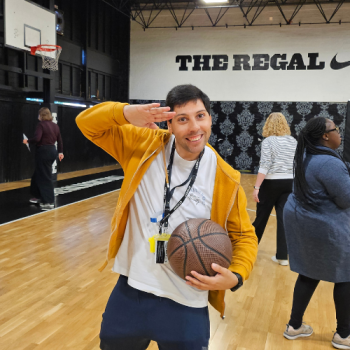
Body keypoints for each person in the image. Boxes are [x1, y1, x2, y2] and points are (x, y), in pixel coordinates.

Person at [76, 84, 258, 350]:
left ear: (209, 118)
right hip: (130, 293)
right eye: (182, 119)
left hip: (186, 303)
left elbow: (243, 236)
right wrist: (127, 113)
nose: (194, 127)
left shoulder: (225, 177)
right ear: (169, 124)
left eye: (200, 116)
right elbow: (86, 123)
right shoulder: (142, 146)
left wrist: (237, 276)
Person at [283, 117, 350, 349]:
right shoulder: (328, 163)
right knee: (345, 274)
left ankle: (294, 326)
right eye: (336, 130)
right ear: (325, 136)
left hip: (305, 223)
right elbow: (346, 199)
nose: (339, 133)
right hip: (324, 226)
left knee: (309, 273)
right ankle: (344, 335)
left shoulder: (305, 155)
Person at [252, 113, 297, 266]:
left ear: (268, 124)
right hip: (289, 182)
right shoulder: (293, 141)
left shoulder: (268, 142)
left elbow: (264, 165)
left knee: (261, 218)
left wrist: (257, 187)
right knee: (284, 219)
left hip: (271, 183)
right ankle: (282, 257)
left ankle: (248, 251)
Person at [23, 107, 64, 211]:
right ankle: (37, 196)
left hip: (43, 152)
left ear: (41, 115)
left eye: (39, 115)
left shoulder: (41, 125)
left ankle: (49, 202)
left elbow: (37, 139)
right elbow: (60, 140)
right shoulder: (55, 126)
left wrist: (27, 141)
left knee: (45, 176)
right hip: (52, 151)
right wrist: (60, 152)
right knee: (37, 174)